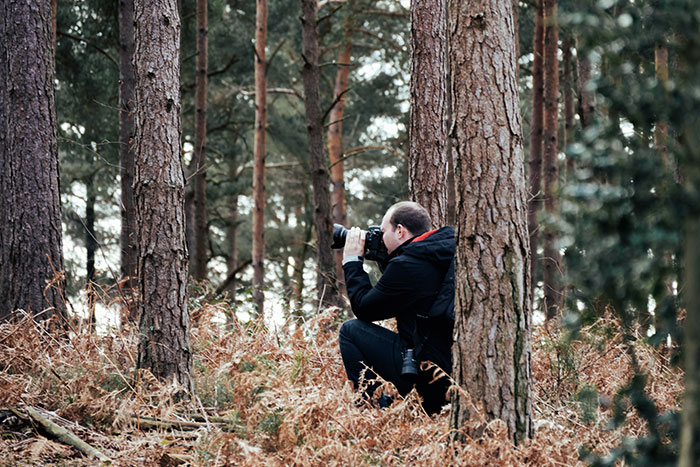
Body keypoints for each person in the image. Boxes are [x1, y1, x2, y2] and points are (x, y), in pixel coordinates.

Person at [338, 201, 454, 415]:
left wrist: (352, 261)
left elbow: (364, 309)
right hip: (452, 371)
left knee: (350, 331)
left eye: (382, 232)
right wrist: (386, 258)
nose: (380, 238)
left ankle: (372, 411)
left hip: (427, 375)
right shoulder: (443, 251)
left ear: (400, 231)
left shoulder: (408, 266)